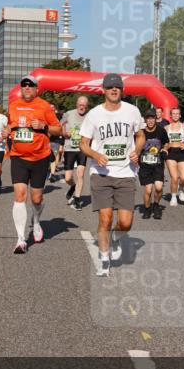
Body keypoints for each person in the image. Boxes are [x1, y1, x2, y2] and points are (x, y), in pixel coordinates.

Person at [80, 73, 145, 277]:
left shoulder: (132, 111)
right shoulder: (94, 114)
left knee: (126, 222)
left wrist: (138, 150)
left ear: (122, 90)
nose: (114, 90)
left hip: (126, 172)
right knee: (105, 218)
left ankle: (116, 237)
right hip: (101, 174)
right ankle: (104, 258)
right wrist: (95, 154)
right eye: (110, 87)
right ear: (103, 90)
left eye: (117, 87)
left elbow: (141, 135)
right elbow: (83, 143)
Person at [6, 76, 61, 254]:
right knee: (20, 196)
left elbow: (58, 129)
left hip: (39, 157)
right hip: (18, 157)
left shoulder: (44, 106)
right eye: (24, 85)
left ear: (36, 89)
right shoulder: (13, 105)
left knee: (36, 199)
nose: (27, 88)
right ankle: (21, 239)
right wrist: (6, 131)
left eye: (31, 86)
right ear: (21, 88)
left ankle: (36, 222)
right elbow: (10, 126)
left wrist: (44, 126)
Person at [138, 110, 169, 220]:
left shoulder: (161, 131)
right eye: (148, 118)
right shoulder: (140, 132)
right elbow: (135, 146)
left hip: (158, 164)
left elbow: (166, 142)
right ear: (145, 120)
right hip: (145, 165)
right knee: (148, 190)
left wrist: (165, 149)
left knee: (159, 188)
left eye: (152, 118)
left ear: (155, 119)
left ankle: (156, 206)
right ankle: (147, 209)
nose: (150, 120)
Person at [60, 96, 90, 210]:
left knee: (81, 174)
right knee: (68, 177)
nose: (82, 107)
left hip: (82, 149)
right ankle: (73, 186)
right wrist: (64, 133)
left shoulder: (89, 117)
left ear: (86, 106)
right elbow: (60, 125)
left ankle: (77, 200)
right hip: (69, 148)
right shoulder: (69, 114)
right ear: (77, 104)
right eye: (80, 105)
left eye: (84, 105)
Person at [164, 107, 184, 206]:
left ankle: (181, 189)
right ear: (170, 115)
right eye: (173, 114)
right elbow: (163, 141)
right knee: (174, 177)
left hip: (181, 152)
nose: (175, 115)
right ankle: (173, 197)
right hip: (171, 153)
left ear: (180, 115)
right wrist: (166, 147)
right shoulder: (166, 128)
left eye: (177, 114)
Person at [48, 105, 64, 182]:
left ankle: (53, 174)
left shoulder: (58, 118)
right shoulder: (45, 116)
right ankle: (48, 170)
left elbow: (61, 129)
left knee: (54, 156)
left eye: (53, 109)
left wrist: (61, 143)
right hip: (47, 140)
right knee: (47, 157)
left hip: (56, 140)